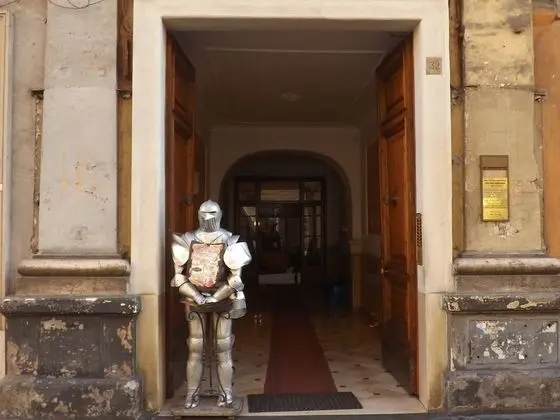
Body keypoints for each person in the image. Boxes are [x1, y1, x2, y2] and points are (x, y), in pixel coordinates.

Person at [170, 200, 252, 409]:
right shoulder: (186, 240)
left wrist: (216, 297)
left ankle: (226, 393)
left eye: (213, 213)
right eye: (204, 213)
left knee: (223, 348)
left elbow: (235, 279)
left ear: (220, 214)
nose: (208, 217)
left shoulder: (230, 240)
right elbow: (178, 278)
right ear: (198, 214)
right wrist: (198, 297)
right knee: (195, 347)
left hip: (222, 299)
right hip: (193, 299)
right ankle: (192, 394)